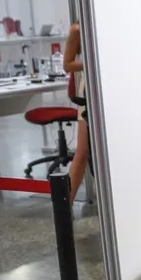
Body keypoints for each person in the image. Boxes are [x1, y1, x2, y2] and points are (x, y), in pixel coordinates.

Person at [63, 23, 89, 203]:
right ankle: (64, 208)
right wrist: (92, 61)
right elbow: (67, 64)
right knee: (82, 152)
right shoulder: (77, 30)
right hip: (89, 92)